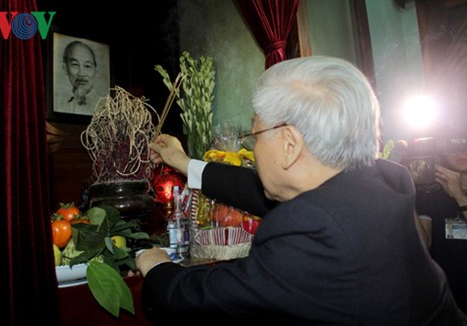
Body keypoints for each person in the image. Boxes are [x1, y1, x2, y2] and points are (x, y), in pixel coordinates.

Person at [136, 56, 466, 324]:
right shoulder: (386, 178)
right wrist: (184, 162)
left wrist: (158, 269)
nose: (254, 149)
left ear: (291, 144)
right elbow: (257, 191)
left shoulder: (311, 232)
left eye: (256, 135)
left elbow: (209, 301)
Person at [415, 129, 467, 313]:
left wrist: (461, 197)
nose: (461, 153)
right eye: (453, 148)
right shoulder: (431, 194)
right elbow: (424, 244)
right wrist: (407, 194)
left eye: (465, 146)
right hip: (445, 298)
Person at [55, 40, 102, 115]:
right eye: (75, 65)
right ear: (65, 68)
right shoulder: (56, 102)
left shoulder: (106, 106)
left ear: (95, 71)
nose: (81, 73)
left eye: (87, 66)